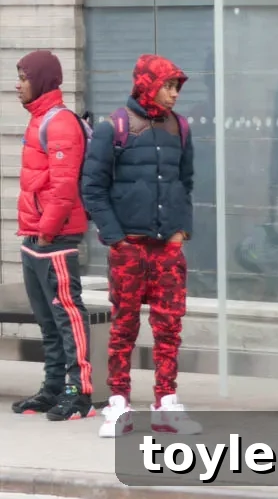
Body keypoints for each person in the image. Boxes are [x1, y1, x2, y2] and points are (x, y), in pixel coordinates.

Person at [81, 53, 200, 439]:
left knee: (170, 328)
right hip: (129, 248)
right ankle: (119, 403)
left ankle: (166, 402)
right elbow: (92, 189)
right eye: (168, 85)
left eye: (177, 86)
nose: (174, 94)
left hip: (167, 249)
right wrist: (116, 240)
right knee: (124, 327)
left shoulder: (180, 128)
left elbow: (186, 183)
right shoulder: (112, 127)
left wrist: (181, 231)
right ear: (147, 83)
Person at [11, 50, 95, 422]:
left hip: (53, 239)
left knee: (67, 317)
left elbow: (64, 188)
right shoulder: (40, 119)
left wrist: (46, 233)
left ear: (42, 80)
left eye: (24, 78)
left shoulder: (58, 123)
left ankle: (79, 392)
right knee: (47, 321)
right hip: (35, 236)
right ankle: (54, 387)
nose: (18, 85)